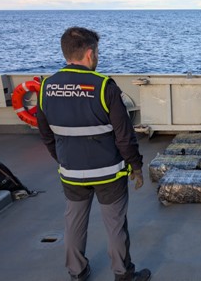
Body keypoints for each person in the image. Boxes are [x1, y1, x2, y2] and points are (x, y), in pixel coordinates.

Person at [37, 27, 151, 281]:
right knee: (115, 225)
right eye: (97, 52)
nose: (98, 57)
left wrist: (63, 158)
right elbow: (124, 135)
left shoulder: (46, 87)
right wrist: (136, 166)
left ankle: (77, 272)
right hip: (108, 173)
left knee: (74, 223)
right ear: (89, 54)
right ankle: (123, 274)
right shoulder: (104, 87)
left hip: (70, 172)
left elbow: (45, 134)